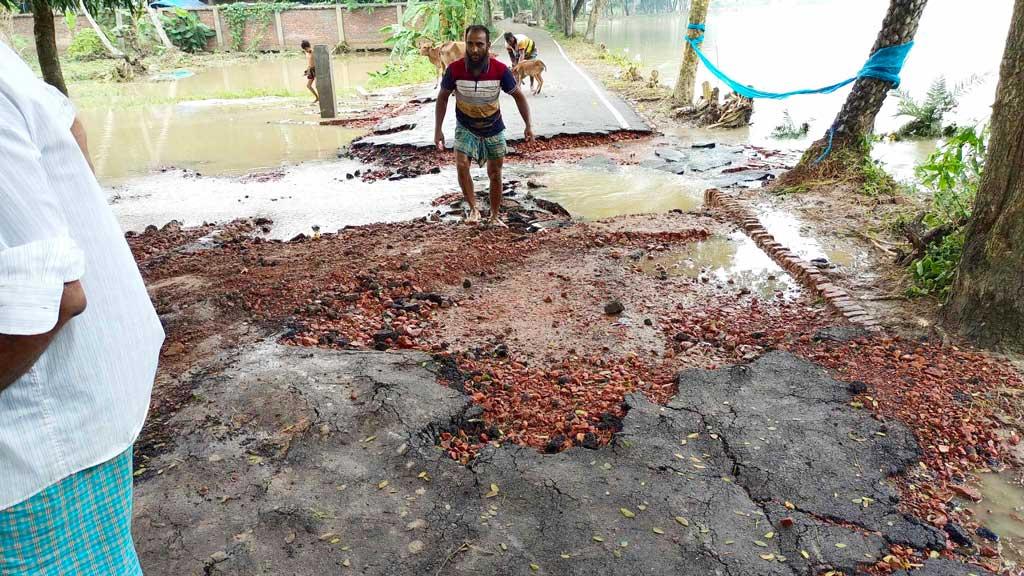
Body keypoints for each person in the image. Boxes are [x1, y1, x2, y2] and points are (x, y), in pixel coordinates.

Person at [0, 40, 164, 574]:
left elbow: (47, 298)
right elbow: (68, 122)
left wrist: (73, 244)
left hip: (37, 439)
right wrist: (77, 227)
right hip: (75, 404)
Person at [435, 25, 534, 226]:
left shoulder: (499, 70)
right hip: (465, 125)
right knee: (462, 165)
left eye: (479, 44)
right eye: (470, 44)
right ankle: (473, 209)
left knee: (495, 173)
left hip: (493, 126)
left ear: (488, 45)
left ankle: (495, 216)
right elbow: (443, 98)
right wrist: (438, 130)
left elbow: (519, 96)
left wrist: (528, 125)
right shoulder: (454, 69)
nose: (474, 49)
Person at [301, 40, 319, 104]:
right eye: (305, 49)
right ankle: (317, 97)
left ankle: (322, 98)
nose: (306, 50)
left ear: (307, 47)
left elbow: (318, 61)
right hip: (311, 70)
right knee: (308, 85)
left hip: (317, 70)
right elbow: (309, 63)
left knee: (318, 86)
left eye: (306, 48)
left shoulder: (313, 52)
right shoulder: (306, 53)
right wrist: (307, 71)